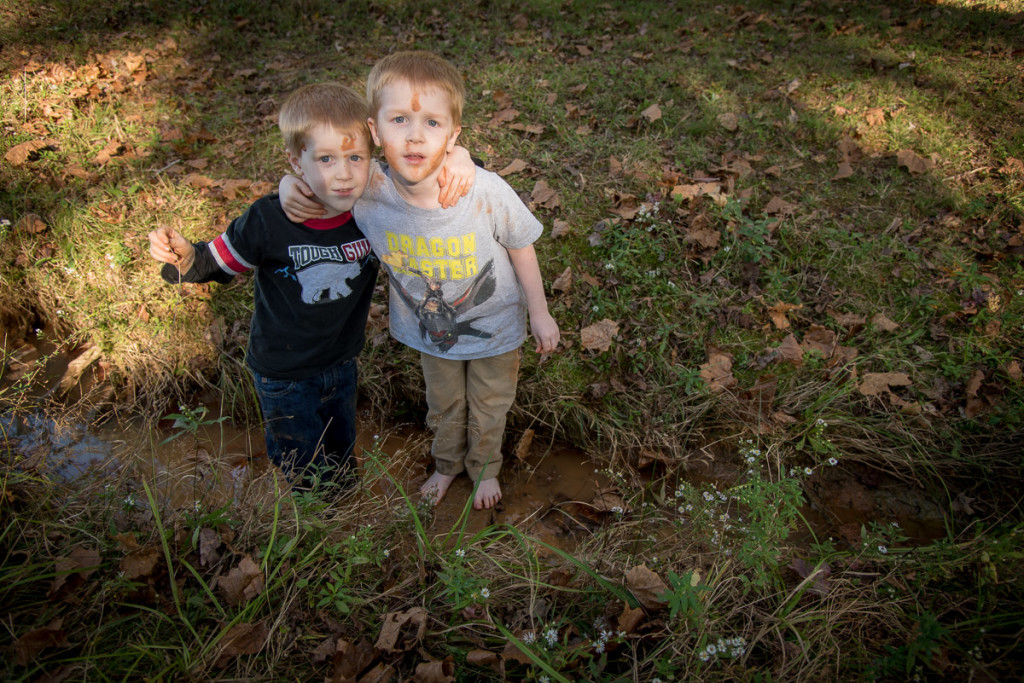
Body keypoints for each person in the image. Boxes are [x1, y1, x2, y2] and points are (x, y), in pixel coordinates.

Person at [148, 82, 472, 492]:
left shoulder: (373, 207)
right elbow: (215, 263)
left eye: (354, 157)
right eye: (325, 159)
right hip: (283, 372)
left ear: (372, 156)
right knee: (301, 461)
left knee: (341, 452)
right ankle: (312, 527)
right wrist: (183, 258)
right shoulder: (269, 221)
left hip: (341, 363)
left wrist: (459, 156)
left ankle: (345, 514)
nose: (342, 174)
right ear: (296, 162)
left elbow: (423, 168)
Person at [280, 51, 560, 510]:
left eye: (432, 123)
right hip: (432, 337)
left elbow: (520, 246)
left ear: (453, 136)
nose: (414, 135)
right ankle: (447, 465)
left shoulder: (481, 190)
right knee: (444, 405)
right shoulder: (368, 191)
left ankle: (485, 467)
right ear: (374, 131)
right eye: (398, 120)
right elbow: (322, 176)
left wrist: (541, 313)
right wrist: (289, 186)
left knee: (490, 404)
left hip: (496, 332)